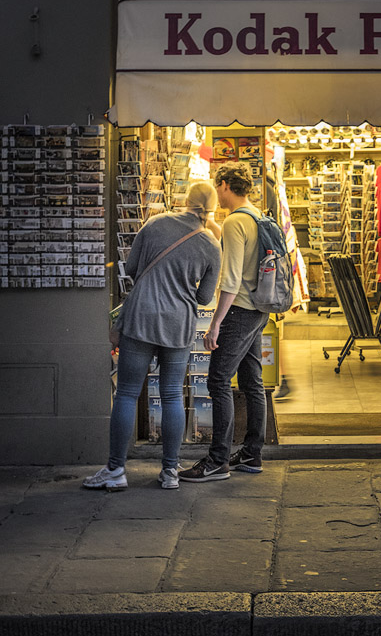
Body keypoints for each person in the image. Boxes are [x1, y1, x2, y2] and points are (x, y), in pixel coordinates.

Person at [83, 182, 222, 491]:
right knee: (172, 394)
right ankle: (170, 471)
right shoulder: (212, 245)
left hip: (141, 318)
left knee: (127, 393)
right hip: (178, 324)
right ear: (213, 208)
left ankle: (115, 470)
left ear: (186, 201)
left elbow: (132, 267)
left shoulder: (156, 223)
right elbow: (204, 297)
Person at [180, 160, 268, 482]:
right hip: (258, 309)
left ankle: (217, 460)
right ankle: (252, 453)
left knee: (218, 380)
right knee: (252, 381)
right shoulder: (256, 216)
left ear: (225, 186)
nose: (217, 192)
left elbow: (230, 280)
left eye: (218, 186)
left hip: (239, 310)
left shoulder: (234, 222)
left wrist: (216, 322)